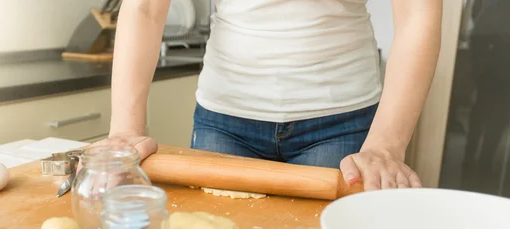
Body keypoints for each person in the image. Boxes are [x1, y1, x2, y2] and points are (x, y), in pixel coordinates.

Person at [97, 0, 442, 191]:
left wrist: (386, 147)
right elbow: (145, 8)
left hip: (342, 123)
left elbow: (418, 13)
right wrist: (125, 129)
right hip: (225, 121)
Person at [462, 0, 510, 194]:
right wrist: (479, 69)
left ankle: (486, 160)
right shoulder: (495, 6)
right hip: (491, 70)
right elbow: (477, 37)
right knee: (480, 113)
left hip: (506, 74)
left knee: (500, 119)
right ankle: (469, 157)